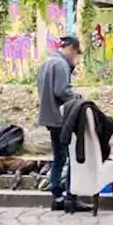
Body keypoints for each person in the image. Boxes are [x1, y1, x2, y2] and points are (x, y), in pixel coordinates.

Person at [36, 35, 90, 212]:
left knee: (58, 156)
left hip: (49, 116)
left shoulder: (46, 62)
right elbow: (62, 91)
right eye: (75, 54)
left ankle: (56, 196)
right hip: (61, 118)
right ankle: (70, 196)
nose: (74, 57)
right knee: (71, 157)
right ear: (71, 49)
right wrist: (77, 96)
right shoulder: (60, 64)